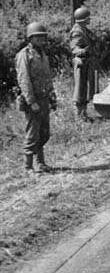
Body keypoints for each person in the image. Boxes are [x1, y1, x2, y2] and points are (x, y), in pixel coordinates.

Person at [16, 22, 56, 174]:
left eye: (42, 37)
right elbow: (24, 80)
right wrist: (31, 102)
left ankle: (41, 163)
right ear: (30, 38)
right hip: (33, 100)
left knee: (44, 133)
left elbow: (48, 77)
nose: (40, 39)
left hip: (45, 98)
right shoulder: (24, 55)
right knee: (32, 133)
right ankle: (28, 167)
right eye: (37, 37)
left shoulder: (42, 54)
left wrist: (53, 98)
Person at [70, 6, 98, 121]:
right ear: (83, 19)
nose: (89, 20)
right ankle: (78, 115)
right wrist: (84, 51)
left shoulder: (84, 30)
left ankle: (84, 113)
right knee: (80, 88)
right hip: (81, 64)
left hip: (88, 63)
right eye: (88, 18)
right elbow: (74, 49)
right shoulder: (77, 32)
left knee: (86, 88)